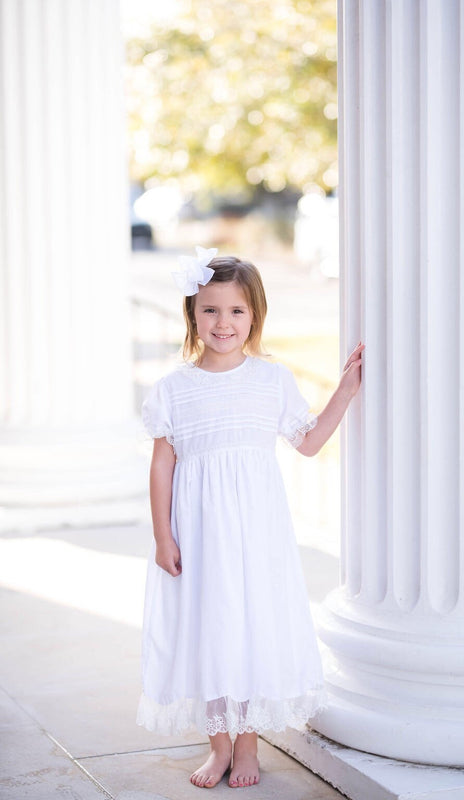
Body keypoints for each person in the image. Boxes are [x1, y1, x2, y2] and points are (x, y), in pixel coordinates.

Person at [137, 246, 364, 789]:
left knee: (248, 629)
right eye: (211, 310)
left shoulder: (270, 380)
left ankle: (247, 748)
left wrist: (346, 390)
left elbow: (307, 443)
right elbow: (163, 465)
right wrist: (162, 535)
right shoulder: (174, 389)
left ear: (255, 316)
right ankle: (218, 746)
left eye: (237, 311)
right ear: (193, 315)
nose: (224, 322)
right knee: (211, 631)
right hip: (199, 535)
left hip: (255, 536)